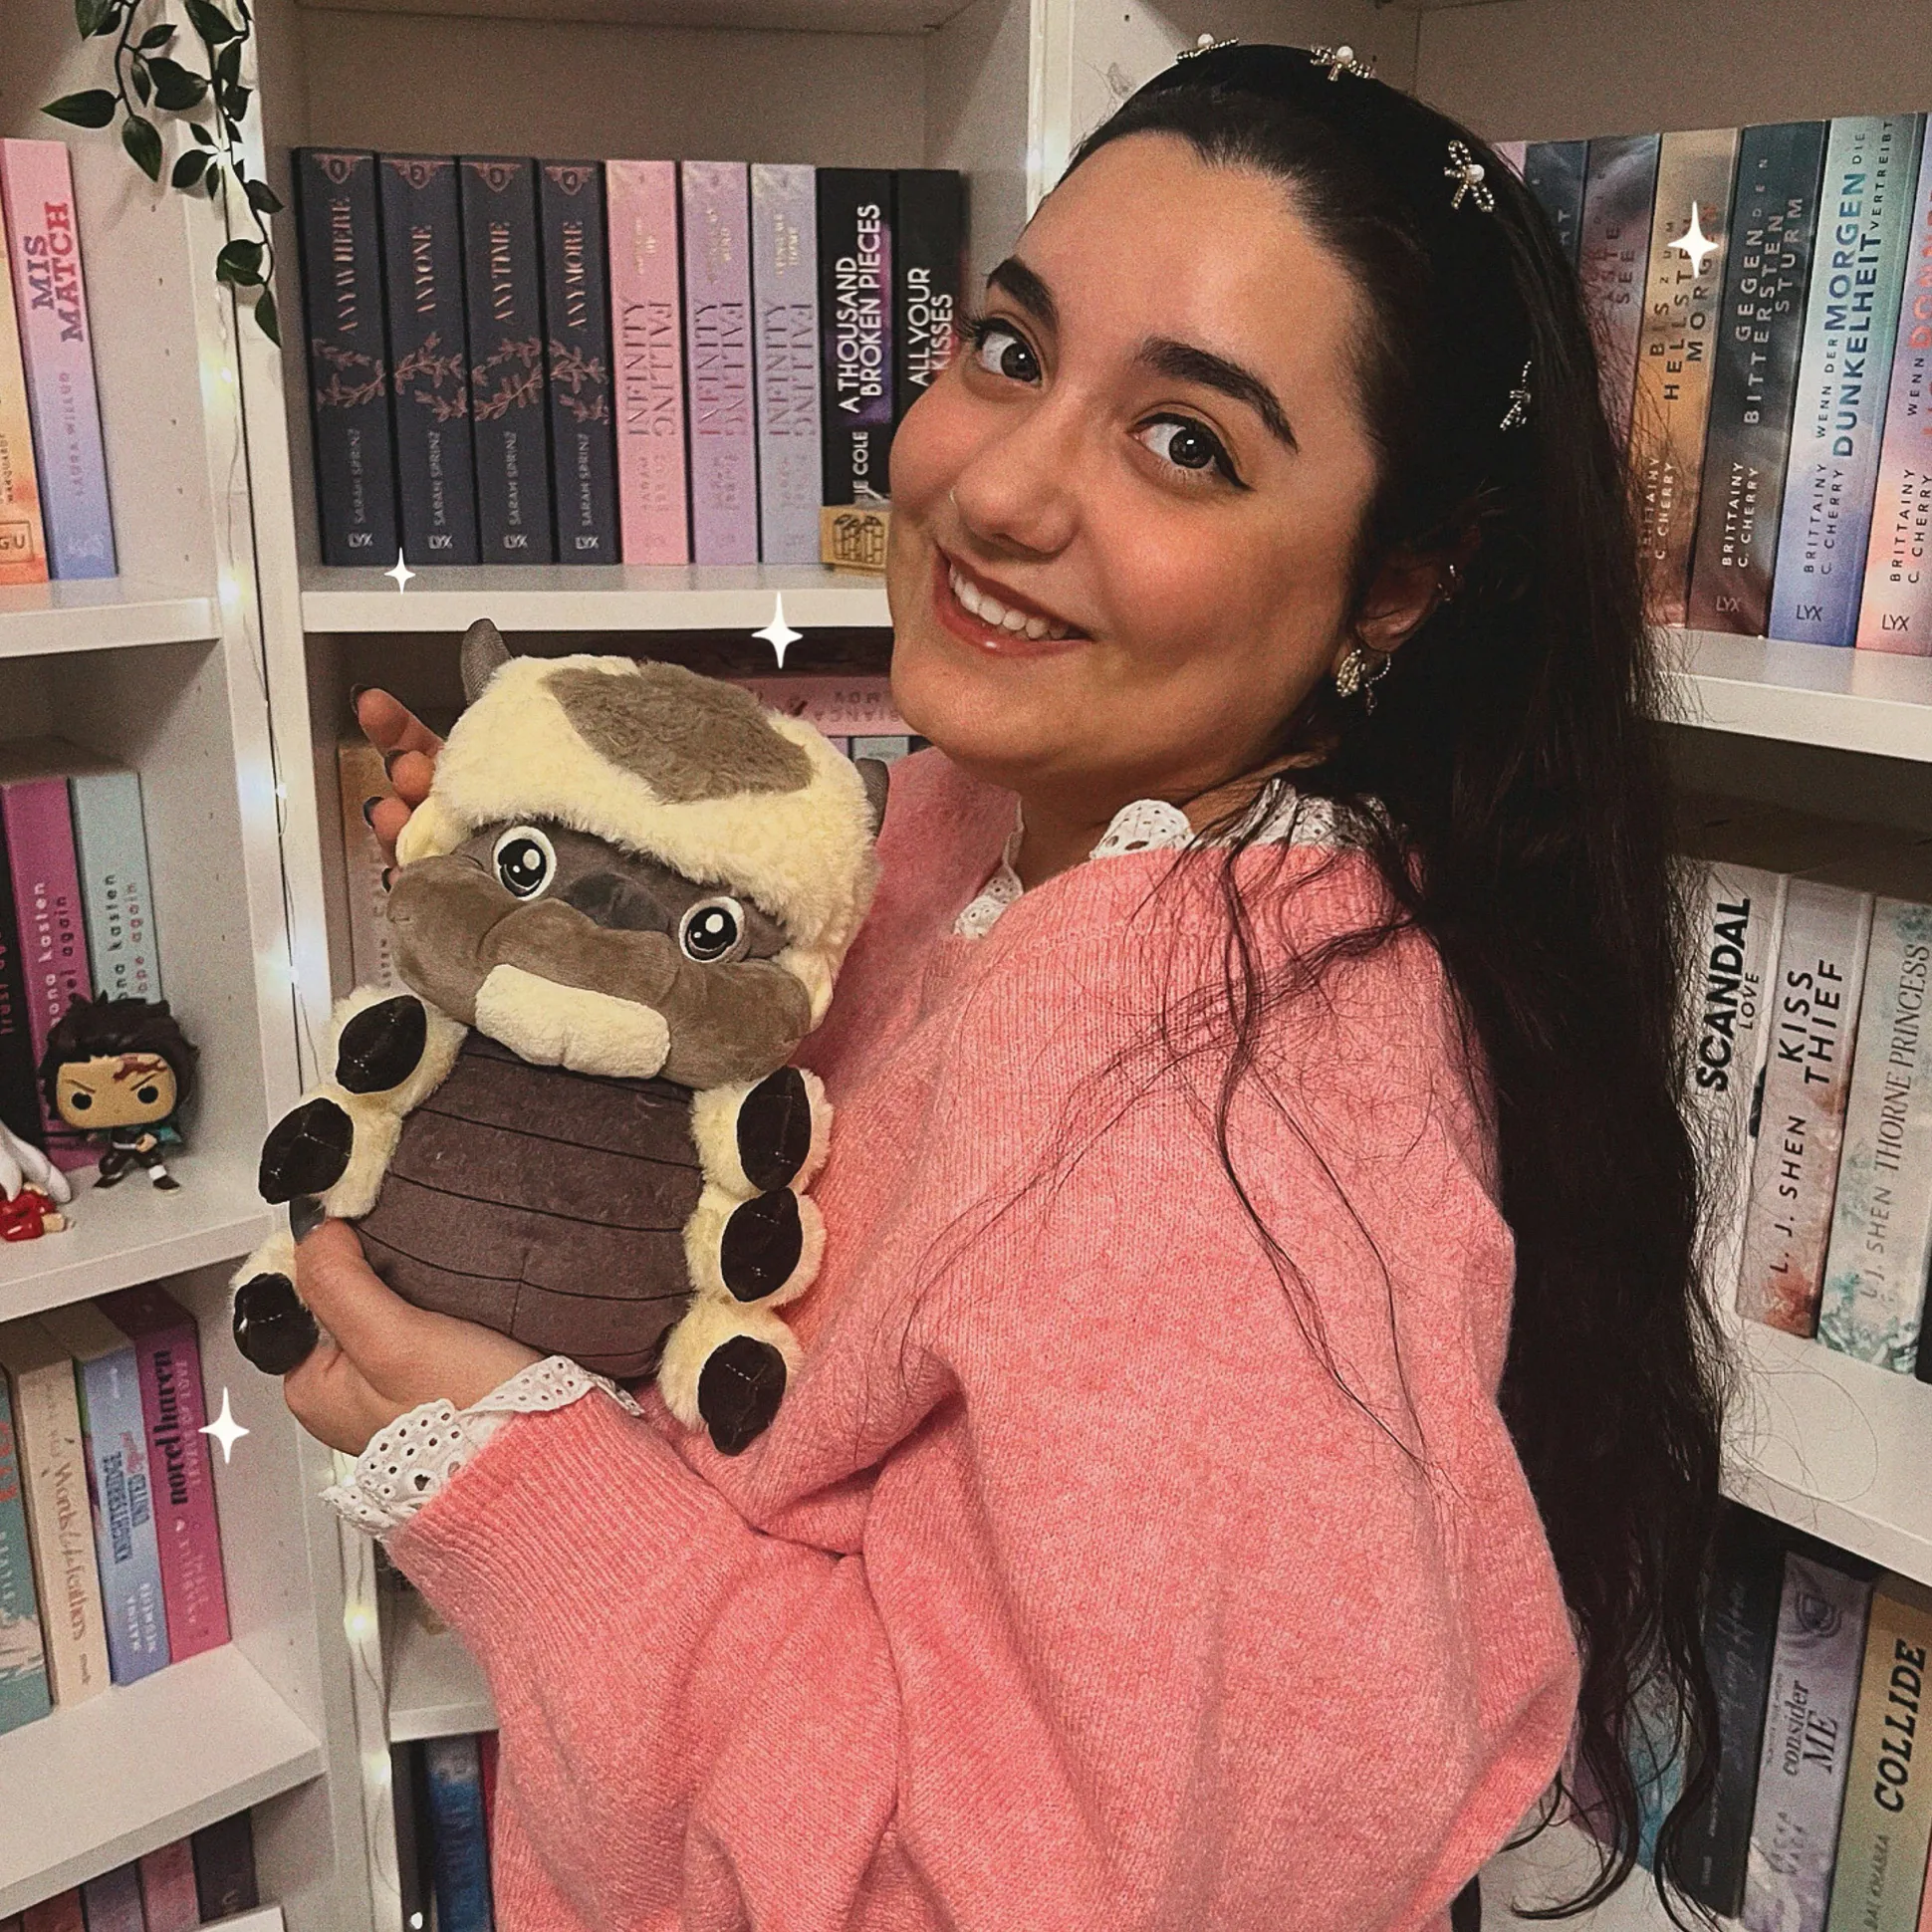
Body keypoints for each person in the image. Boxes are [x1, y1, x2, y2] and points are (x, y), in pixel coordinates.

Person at [280, 43, 1725, 1931]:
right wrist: (580, 955)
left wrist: (519, 1476)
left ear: (1399, 583)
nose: (1001, 489)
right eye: (1011, 349)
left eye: (1188, 443)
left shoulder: (1232, 1149)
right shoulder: (998, 819)